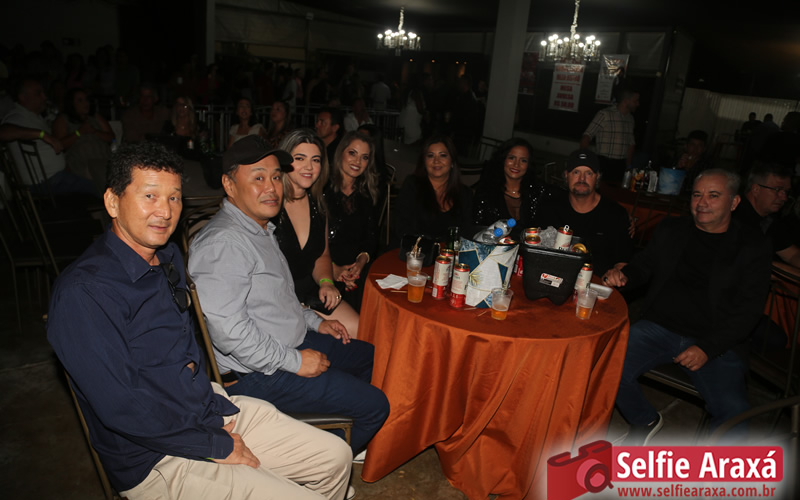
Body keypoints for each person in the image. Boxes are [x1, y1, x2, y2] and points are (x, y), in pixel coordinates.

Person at [47, 141, 352, 500]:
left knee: (336, 457)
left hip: (205, 406)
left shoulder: (167, 255)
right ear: (113, 202)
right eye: (150, 196)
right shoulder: (85, 292)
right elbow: (122, 407)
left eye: (174, 198)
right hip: (156, 456)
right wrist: (215, 445)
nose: (165, 211)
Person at [188, 135, 389, 461]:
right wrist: (297, 362)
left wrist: (314, 322)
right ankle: (313, 468)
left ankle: (324, 432)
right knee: (376, 406)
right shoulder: (222, 244)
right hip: (257, 374)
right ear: (229, 184)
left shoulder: (260, 228)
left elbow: (278, 300)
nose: (271, 188)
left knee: (372, 357)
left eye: (275, 177)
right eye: (258, 178)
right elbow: (230, 334)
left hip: (288, 344)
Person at [604, 168, 772, 444]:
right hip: (659, 327)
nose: (702, 202)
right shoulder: (672, 229)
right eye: (697, 195)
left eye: (713, 195)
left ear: (734, 202)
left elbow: (748, 311)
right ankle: (644, 420)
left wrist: (707, 348)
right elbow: (644, 265)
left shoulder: (752, 246)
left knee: (734, 413)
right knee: (605, 364)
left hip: (717, 341)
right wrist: (625, 275)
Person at [271, 129, 361, 336]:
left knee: (359, 329)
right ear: (284, 161)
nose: (309, 167)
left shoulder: (319, 205)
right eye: (300, 158)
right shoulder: (269, 204)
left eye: (316, 160)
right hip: (276, 297)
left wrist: (327, 282)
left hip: (309, 292)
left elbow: (322, 255)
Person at [535, 149, 633, 275]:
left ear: (597, 176)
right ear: (566, 175)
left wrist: (615, 274)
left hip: (597, 283)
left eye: (588, 173)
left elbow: (622, 262)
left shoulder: (615, 214)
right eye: (576, 172)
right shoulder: (549, 207)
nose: (582, 179)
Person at [0, 78, 96, 196]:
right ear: (23, 97)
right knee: (98, 188)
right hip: (44, 183)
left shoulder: (34, 116)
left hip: (55, 177)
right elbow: (3, 132)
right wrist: (41, 134)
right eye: (38, 93)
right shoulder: (16, 117)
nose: (44, 97)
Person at [325, 130, 380, 311]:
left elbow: (371, 238)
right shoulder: (321, 189)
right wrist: (333, 269)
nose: (357, 161)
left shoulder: (366, 194)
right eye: (352, 153)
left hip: (356, 271)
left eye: (364, 157)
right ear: (341, 152)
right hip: (323, 269)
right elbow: (310, 242)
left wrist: (361, 262)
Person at [394, 135, 473, 244]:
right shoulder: (412, 185)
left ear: (452, 162)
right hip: (413, 250)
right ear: (424, 162)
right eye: (430, 156)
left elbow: (467, 233)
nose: (436, 161)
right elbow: (402, 228)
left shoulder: (464, 194)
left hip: (449, 252)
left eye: (443, 155)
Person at [472, 137, 553, 238]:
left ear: (528, 165)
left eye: (523, 160)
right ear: (503, 159)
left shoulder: (537, 193)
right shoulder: (486, 193)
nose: (516, 164)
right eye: (511, 158)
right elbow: (477, 231)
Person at [735, 162, 800, 268]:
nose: (784, 198)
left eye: (786, 192)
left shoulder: (769, 220)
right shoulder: (732, 214)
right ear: (756, 189)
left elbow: (792, 255)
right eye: (778, 190)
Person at [52, 87, 115, 195]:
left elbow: (112, 138)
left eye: (86, 100)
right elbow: (60, 145)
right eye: (80, 101)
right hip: (82, 164)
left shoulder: (95, 117)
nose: (85, 103)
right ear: (72, 104)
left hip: (103, 159)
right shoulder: (63, 119)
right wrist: (79, 132)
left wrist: (95, 131)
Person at [580, 86, 639, 183]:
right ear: (626, 101)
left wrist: (628, 167)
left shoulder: (630, 119)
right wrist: (583, 161)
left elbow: (631, 144)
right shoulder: (605, 114)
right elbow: (587, 136)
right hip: (604, 162)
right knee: (600, 189)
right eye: (635, 101)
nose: (637, 104)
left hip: (621, 164)